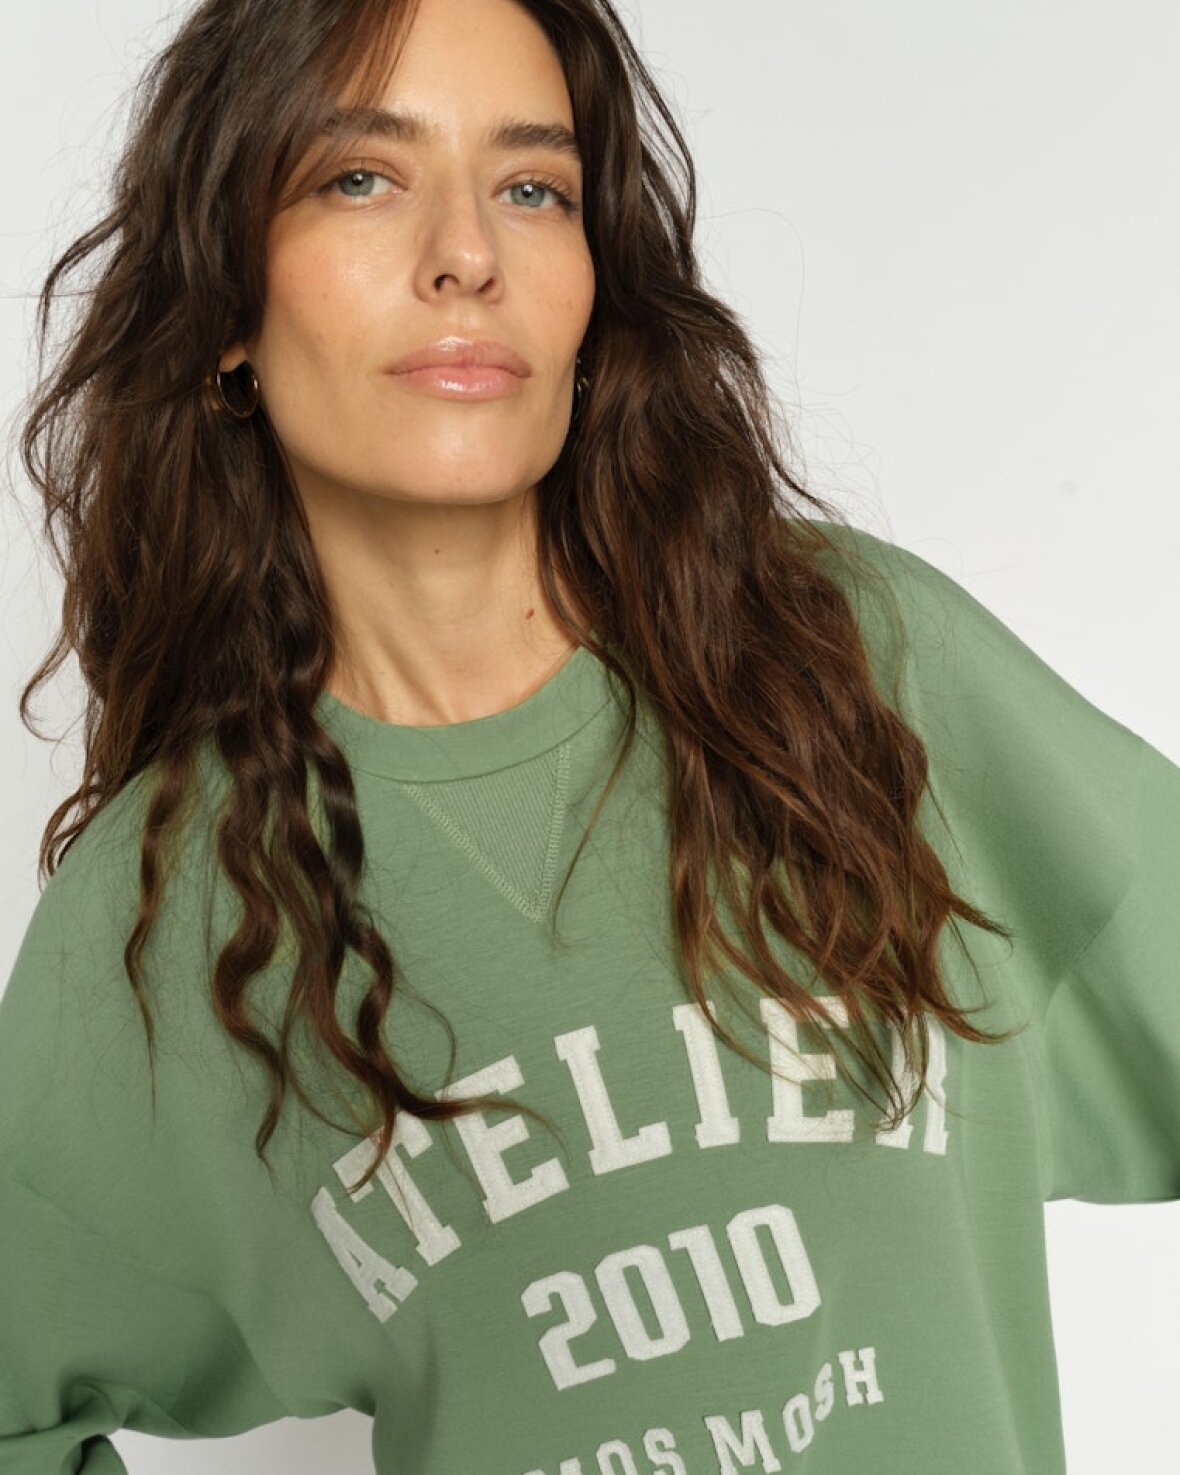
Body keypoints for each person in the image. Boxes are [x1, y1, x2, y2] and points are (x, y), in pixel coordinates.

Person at [1, 0, 1176, 1472]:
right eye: (360, 177)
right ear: (228, 306)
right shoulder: (173, 902)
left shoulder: (858, 668)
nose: (466, 253)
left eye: (532, 187)